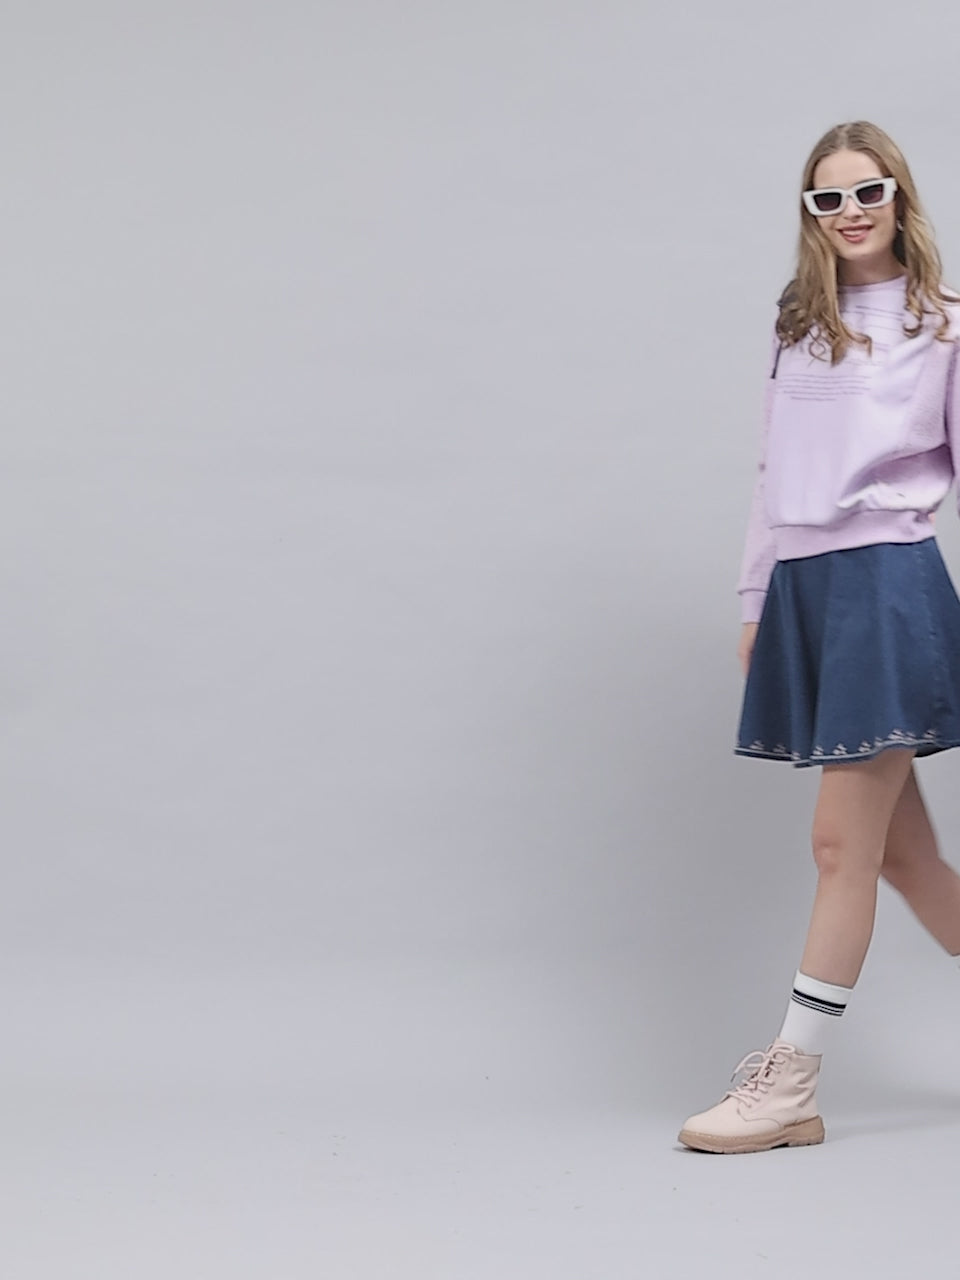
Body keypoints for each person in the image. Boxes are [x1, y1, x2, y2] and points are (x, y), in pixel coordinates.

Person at [678, 120, 960, 1155]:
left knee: (840, 845)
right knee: (905, 860)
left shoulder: (944, 324)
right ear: (809, 214)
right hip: (806, 593)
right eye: (827, 197)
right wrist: (756, 601)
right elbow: (772, 470)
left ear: (899, 195)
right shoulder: (798, 324)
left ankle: (789, 1080)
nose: (850, 212)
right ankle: (789, 1085)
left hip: (886, 587)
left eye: (867, 190)